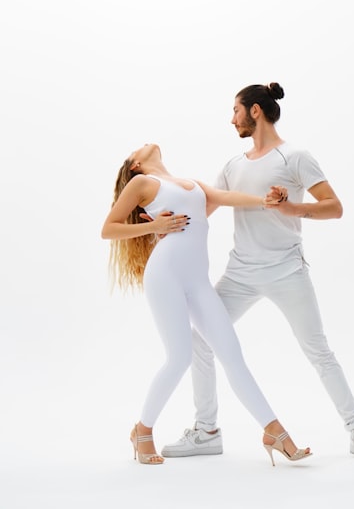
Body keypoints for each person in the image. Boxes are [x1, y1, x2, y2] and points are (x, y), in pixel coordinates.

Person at [161, 82, 354, 462]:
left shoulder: (295, 157)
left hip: (287, 270)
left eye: (235, 110)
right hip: (240, 274)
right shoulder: (233, 165)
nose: (231, 119)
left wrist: (292, 210)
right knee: (201, 340)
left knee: (318, 351)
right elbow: (208, 208)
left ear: (254, 111)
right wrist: (165, 222)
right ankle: (206, 430)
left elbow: (334, 207)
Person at [101, 142, 312, 466]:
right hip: (165, 276)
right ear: (135, 166)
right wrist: (155, 226)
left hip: (198, 282)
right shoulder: (142, 184)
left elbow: (227, 199)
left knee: (232, 353)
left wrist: (266, 201)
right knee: (179, 357)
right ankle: (142, 431)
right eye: (137, 148)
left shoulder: (193, 185)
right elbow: (109, 229)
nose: (146, 144)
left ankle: (274, 432)